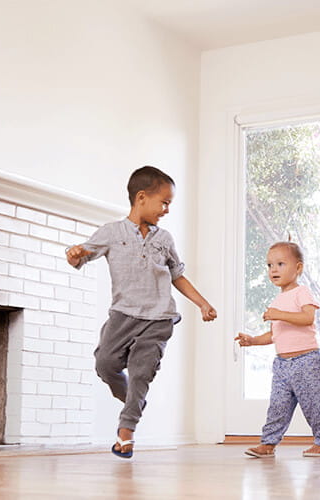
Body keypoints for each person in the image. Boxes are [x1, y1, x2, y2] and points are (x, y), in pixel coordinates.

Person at [65, 166, 218, 458]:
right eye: (164, 203)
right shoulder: (111, 232)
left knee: (140, 373)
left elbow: (177, 275)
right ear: (141, 197)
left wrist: (202, 303)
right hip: (123, 315)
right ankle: (135, 402)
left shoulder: (165, 239)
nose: (167, 210)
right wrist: (73, 255)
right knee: (105, 364)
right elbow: (81, 255)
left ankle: (126, 433)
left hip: (158, 318)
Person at [235, 241, 320, 458]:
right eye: (270, 265)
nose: (273, 270)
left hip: (305, 360)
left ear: (298, 268)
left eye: (280, 264)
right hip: (282, 365)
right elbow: (275, 334)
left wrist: (279, 314)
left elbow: (307, 318)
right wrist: (252, 340)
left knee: (313, 404)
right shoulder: (278, 299)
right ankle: (268, 443)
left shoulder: (302, 292)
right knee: (277, 406)